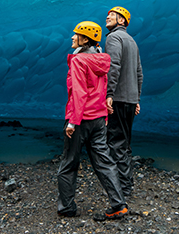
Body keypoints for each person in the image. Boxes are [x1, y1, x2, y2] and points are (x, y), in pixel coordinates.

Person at [57, 21, 128, 221]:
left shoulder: (79, 61)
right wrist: (104, 116)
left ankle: (67, 208)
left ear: (85, 39)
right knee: (104, 162)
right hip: (98, 119)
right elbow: (101, 91)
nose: (72, 37)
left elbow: (79, 93)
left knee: (68, 164)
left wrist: (72, 121)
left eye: (76, 34)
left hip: (80, 119)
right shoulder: (101, 60)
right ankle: (118, 204)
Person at [104, 6, 143, 199]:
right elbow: (139, 73)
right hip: (129, 99)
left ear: (122, 21)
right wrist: (136, 99)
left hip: (118, 98)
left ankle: (123, 190)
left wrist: (109, 93)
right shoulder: (132, 41)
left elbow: (113, 65)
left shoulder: (113, 38)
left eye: (112, 15)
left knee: (115, 143)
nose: (107, 16)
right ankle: (127, 183)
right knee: (125, 143)